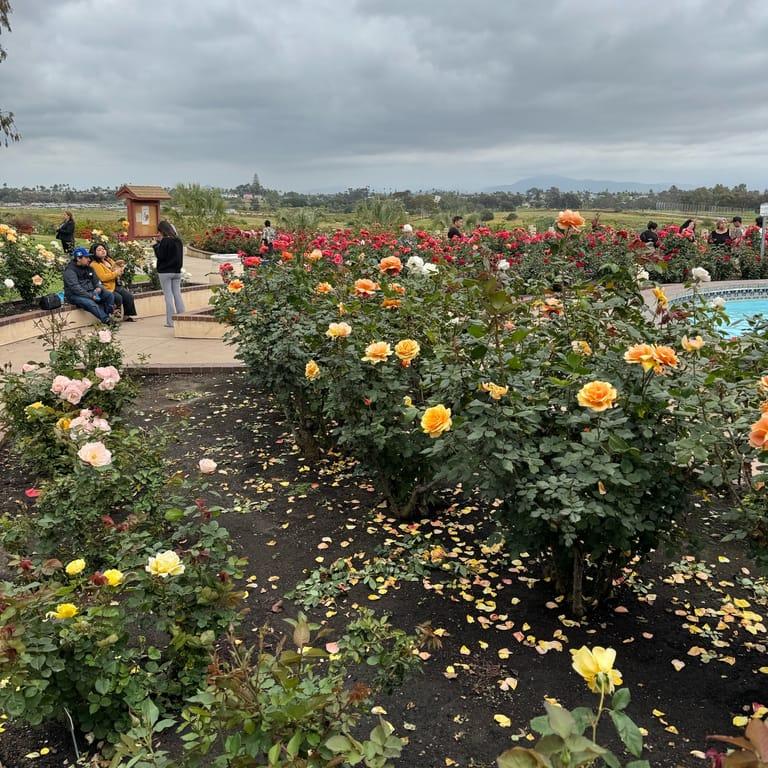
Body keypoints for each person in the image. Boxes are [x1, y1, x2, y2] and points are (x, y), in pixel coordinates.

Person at [63, 247, 115, 324]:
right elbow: (76, 288)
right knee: (90, 303)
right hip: (75, 295)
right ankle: (106, 320)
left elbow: (97, 282)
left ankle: (108, 315)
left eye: (89, 257)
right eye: (86, 257)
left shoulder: (89, 268)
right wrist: (91, 296)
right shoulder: (70, 271)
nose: (89, 259)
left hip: (91, 292)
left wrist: (99, 287)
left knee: (109, 295)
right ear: (78, 258)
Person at [90, 242, 137, 322]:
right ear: (94, 252)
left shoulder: (108, 260)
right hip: (106, 287)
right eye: (99, 250)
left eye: (103, 249)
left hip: (116, 284)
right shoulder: (94, 264)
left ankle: (127, 315)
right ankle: (113, 316)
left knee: (129, 296)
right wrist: (116, 273)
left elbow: (116, 269)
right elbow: (103, 277)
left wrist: (120, 270)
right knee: (118, 297)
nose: (102, 251)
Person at [153, 220, 185, 328]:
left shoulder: (165, 241)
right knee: (177, 294)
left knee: (168, 296)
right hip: (177, 271)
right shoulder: (178, 240)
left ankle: (171, 322)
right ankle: (182, 317)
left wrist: (156, 245)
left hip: (165, 272)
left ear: (162, 230)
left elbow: (161, 256)